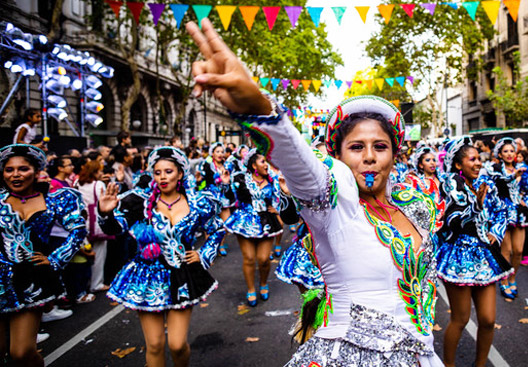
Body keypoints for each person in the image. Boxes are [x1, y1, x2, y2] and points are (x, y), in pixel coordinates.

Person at [188, 17, 445, 366]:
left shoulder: (416, 205)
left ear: (395, 153)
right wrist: (260, 110)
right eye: (356, 147)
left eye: (380, 146)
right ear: (337, 155)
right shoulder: (336, 202)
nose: (369, 157)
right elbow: (305, 171)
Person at [98, 147, 224, 367]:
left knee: (177, 344)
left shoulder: (197, 203)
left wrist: (203, 254)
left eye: (168, 171)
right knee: (155, 345)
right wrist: (106, 213)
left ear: (180, 174)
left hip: (182, 275)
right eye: (157, 173)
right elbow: (115, 229)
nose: (163, 177)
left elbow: (217, 228)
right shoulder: (138, 202)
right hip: (146, 277)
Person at [0, 144, 87, 366]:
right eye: (9, 170)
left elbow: (77, 230)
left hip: (31, 281)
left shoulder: (54, 199)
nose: (16, 175)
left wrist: (56, 259)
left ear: (37, 170)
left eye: (23, 169)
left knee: (21, 353)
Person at [436, 137, 511, 367]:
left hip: (485, 255)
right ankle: (448, 364)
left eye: (479, 158)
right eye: (472, 159)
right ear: (459, 165)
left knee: (488, 320)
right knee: (460, 319)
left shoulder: (486, 182)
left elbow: (502, 211)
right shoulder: (451, 184)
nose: (478, 163)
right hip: (458, 255)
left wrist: (495, 234)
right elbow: (454, 219)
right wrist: (476, 207)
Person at [223, 149, 283, 306]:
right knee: (249, 258)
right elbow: (230, 198)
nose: (267, 165)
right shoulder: (240, 178)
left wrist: (277, 209)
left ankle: (263, 283)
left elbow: (282, 197)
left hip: (266, 222)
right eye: (263, 162)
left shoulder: (273, 180)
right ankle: (251, 289)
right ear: (253, 165)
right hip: (245, 221)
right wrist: (225, 184)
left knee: (263, 259)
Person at [483, 137, 528, 300]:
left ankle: (513, 278)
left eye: (512, 150)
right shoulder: (495, 169)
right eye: (505, 151)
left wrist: (526, 201)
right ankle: (504, 280)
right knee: (507, 250)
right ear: (500, 154)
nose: (509, 154)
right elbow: (500, 182)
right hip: (502, 213)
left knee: (518, 250)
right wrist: (514, 177)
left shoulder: (522, 168)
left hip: (518, 213)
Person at [77, 160, 111, 293]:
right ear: (95, 172)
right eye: (100, 171)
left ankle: (85, 283)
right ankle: (96, 283)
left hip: (82, 220)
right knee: (99, 253)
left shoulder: (77, 184)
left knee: (84, 253)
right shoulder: (98, 185)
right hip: (96, 221)